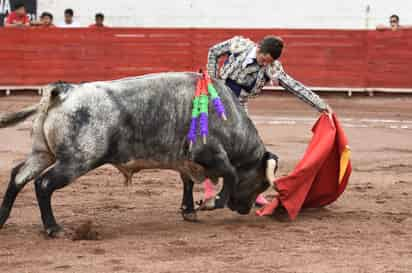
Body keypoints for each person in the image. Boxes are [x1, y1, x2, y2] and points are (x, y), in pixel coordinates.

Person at [201, 35, 332, 209]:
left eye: (268, 62)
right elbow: (213, 52)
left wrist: (321, 105)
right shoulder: (240, 45)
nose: (264, 64)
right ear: (259, 49)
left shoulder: (272, 67)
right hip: (217, 100)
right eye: (263, 59)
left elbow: (294, 86)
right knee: (211, 143)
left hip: (239, 105)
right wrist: (212, 80)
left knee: (248, 147)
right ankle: (209, 188)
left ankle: (253, 190)